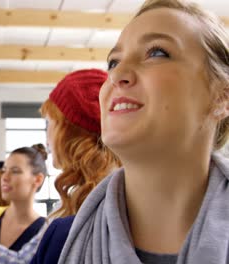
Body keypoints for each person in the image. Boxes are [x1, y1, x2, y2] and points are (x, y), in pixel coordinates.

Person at [56, 0, 229, 263]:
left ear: (221, 97)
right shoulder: (59, 242)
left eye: (157, 53)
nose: (118, 74)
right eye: (113, 62)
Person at [0, 69, 121, 264]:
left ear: (68, 129)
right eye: (5, 170)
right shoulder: (73, 206)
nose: (5, 177)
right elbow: (21, 260)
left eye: (50, 122)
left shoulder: (89, 213)